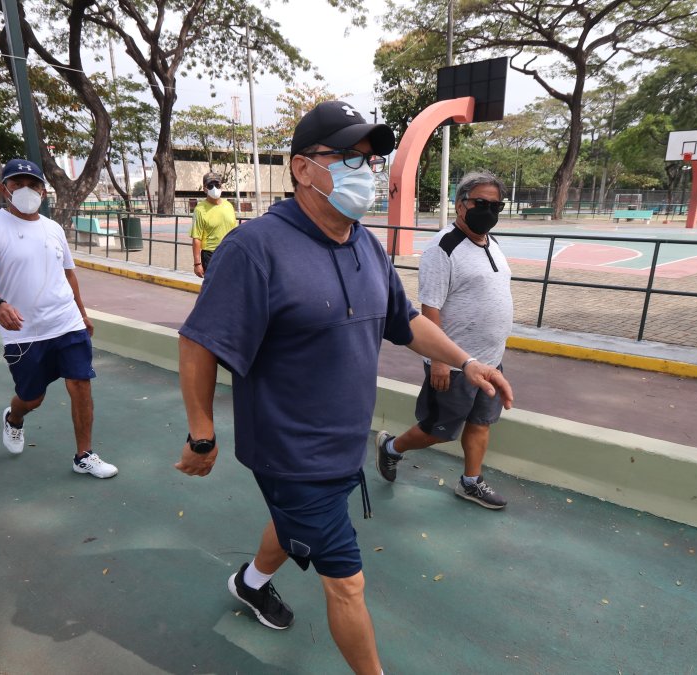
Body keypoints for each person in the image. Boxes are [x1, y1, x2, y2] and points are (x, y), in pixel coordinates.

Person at [174, 101, 513, 674]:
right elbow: (199, 341)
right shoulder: (255, 248)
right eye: (348, 157)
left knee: (291, 525)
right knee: (347, 583)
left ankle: (251, 583)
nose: (366, 169)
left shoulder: (365, 245)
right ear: (302, 168)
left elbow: (404, 322)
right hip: (289, 451)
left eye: (371, 159)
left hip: (342, 445)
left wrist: (465, 361)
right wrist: (202, 433)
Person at [0, 158, 118, 479]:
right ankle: (14, 418)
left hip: (66, 321)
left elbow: (69, 275)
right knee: (32, 398)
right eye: (17, 183)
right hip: (23, 330)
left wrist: (82, 313)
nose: (26, 190)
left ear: (44, 191)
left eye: (33, 184)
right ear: (3, 188)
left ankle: (84, 455)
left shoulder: (53, 229)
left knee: (80, 384)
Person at [374, 171, 513, 509]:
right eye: (481, 203)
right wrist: (438, 360)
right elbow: (429, 306)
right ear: (460, 204)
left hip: (490, 362)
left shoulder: (492, 242)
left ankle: (470, 482)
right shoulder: (443, 248)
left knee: (481, 423)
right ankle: (391, 448)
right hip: (453, 365)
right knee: (437, 430)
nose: (489, 211)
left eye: (496, 205)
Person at [189, 171, 238, 278]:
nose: (214, 188)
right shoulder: (200, 209)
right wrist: (197, 264)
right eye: (210, 186)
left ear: (221, 186)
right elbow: (196, 238)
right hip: (211, 255)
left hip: (230, 252)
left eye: (217, 185)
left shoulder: (229, 206)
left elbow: (235, 231)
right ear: (205, 189)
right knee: (215, 289)